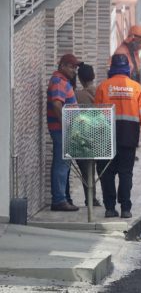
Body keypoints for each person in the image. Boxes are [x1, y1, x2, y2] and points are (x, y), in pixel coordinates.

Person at [95, 54, 141, 218]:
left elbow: (96, 115)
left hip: (106, 136)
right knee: (126, 173)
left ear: (111, 68)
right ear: (128, 69)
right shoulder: (136, 88)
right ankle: (126, 209)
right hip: (129, 136)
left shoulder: (103, 87)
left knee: (107, 173)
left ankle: (110, 208)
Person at [47, 54, 80, 211]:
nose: (75, 70)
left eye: (75, 67)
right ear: (63, 66)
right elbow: (56, 105)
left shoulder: (62, 81)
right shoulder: (59, 81)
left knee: (63, 164)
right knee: (61, 165)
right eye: (72, 67)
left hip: (63, 130)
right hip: (61, 131)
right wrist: (66, 125)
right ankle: (59, 200)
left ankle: (62, 198)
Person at [74, 63, 101, 207]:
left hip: (84, 137)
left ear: (79, 78)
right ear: (94, 76)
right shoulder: (100, 91)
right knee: (100, 170)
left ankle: (90, 198)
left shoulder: (77, 95)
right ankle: (100, 200)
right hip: (101, 137)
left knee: (86, 169)